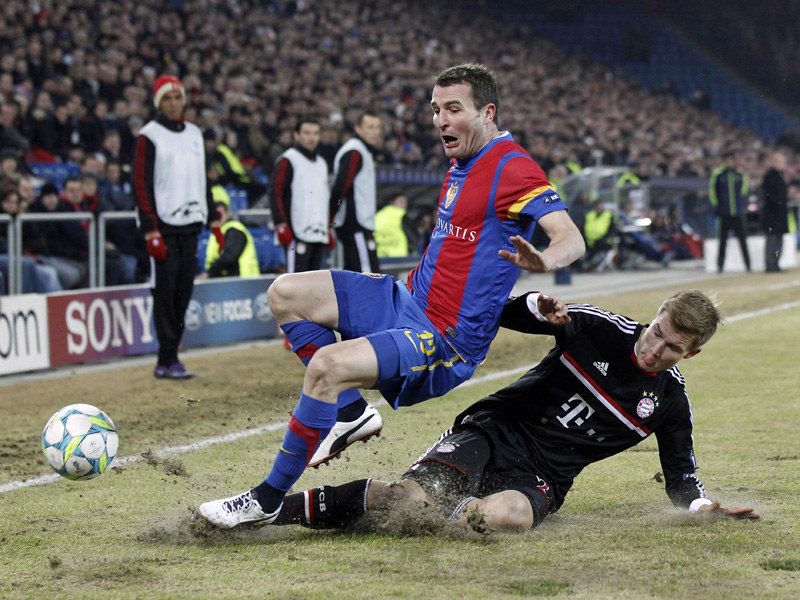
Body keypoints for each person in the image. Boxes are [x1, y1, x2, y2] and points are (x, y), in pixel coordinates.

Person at [195, 63, 585, 529]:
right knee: (285, 292)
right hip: (406, 299)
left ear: (488, 113)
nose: (441, 120)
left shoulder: (512, 166)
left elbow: (570, 237)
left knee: (327, 367)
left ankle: (267, 499)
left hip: (443, 337)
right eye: (436, 109)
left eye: (454, 109)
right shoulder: (463, 163)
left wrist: (545, 261)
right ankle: (352, 414)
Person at [257, 290, 759, 532]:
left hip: (542, 477)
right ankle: (278, 510)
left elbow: (681, 478)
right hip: (493, 431)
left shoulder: (670, 403)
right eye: (655, 332)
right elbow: (508, 316)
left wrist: (702, 507)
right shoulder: (597, 327)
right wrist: (536, 305)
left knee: (512, 517)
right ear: (653, 317)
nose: (654, 349)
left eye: (670, 347)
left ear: (690, 353)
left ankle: (424, 514)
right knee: (409, 499)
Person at [133, 75, 220, 380]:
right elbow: (141, 184)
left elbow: (202, 177)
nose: (173, 103)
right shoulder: (149, 136)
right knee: (165, 292)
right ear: (158, 102)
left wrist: (210, 210)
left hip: (191, 224)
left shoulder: (195, 134)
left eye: (177, 97)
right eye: (167, 98)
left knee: (184, 290)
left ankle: (172, 354)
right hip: (163, 226)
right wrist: (149, 228)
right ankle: (166, 358)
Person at [270, 118, 335, 274]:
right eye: (306, 133)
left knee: (313, 282)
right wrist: (280, 223)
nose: (311, 137)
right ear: (296, 135)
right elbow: (276, 191)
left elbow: (323, 198)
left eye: (315, 133)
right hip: (296, 232)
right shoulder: (288, 159)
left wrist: (327, 228)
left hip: (318, 233)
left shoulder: (322, 163)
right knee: (296, 282)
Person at [331, 110, 383, 273]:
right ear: (358, 129)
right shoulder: (354, 152)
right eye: (370, 127)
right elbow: (341, 187)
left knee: (356, 271)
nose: (375, 132)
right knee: (368, 273)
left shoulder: (362, 151)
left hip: (359, 223)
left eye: (377, 127)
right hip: (355, 223)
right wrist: (331, 215)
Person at [709, 151, 751, 273]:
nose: (730, 162)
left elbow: (744, 191)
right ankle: (720, 266)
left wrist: (740, 206)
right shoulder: (718, 174)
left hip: (737, 214)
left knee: (743, 241)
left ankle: (748, 265)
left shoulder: (740, 174)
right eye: (727, 159)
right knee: (722, 242)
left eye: (731, 159)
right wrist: (717, 207)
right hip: (724, 214)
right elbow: (713, 192)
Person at [199, 200, 259, 279]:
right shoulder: (216, 233)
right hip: (228, 280)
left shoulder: (234, 229)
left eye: (219, 214)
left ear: (228, 214)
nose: (217, 218)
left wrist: (210, 273)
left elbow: (229, 256)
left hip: (243, 280)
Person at [760, 150, 789, 273]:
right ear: (775, 162)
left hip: (779, 214)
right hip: (773, 215)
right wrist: (779, 206)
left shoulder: (778, 175)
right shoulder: (770, 176)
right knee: (773, 239)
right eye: (782, 161)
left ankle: (775, 264)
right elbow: (770, 196)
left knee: (778, 239)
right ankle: (771, 265)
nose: (785, 164)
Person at [374, 194, 411, 258]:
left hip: (380, 255)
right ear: (392, 202)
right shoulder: (402, 215)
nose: (404, 205)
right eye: (401, 202)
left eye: (405, 202)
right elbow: (413, 237)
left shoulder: (377, 216)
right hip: (399, 257)